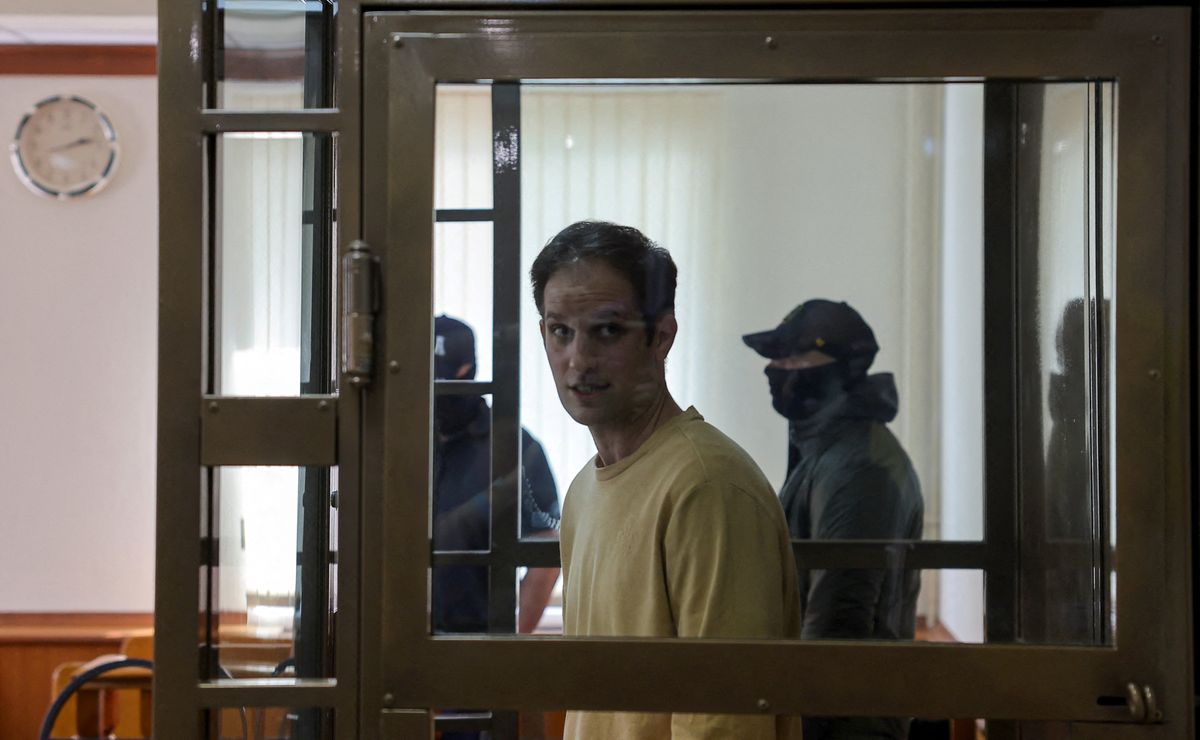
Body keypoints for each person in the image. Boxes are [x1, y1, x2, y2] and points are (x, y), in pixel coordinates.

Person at [531, 221, 801, 739]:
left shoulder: (709, 486)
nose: (578, 360)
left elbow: (724, 724)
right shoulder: (584, 490)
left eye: (607, 330)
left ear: (662, 336)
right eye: (561, 330)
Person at [743, 299, 924, 740]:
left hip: (846, 719)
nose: (778, 369)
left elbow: (839, 614)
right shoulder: (825, 449)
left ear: (841, 368)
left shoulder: (858, 465)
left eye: (795, 358)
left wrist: (803, 720)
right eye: (775, 358)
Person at [431, 314, 561, 638]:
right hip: (398, 643)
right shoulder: (399, 443)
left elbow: (548, 548)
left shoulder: (514, 449)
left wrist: (510, 636)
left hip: (479, 642)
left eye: (446, 380)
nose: (436, 394)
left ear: (469, 372)